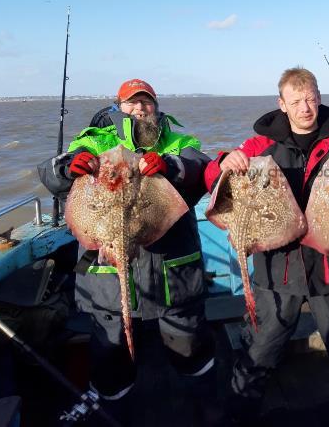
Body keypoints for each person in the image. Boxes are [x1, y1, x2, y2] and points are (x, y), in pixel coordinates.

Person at [204, 67, 329, 427]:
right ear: (282, 104)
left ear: (319, 99)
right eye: (296, 101)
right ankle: (236, 418)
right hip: (276, 270)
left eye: (311, 99)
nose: (305, 107)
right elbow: (211, 177)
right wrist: (223, 162)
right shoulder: (257, 147)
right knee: (260, 352)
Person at [39, 79, 217, 424]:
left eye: (146, 102)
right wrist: (69, 167)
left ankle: (204, 407)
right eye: (132, 103)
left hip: (172, 273)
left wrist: (170, 167)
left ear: (157, 106)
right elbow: (52, 170)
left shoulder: (178, 141)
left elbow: (199, 167)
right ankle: (112, 409)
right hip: (108, 271)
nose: (140, 108)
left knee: (189, 346)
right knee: (111, 355)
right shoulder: (94, 140)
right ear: (118, 108)